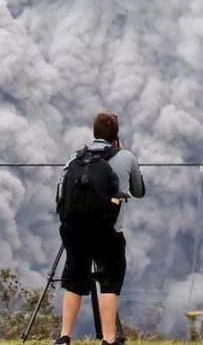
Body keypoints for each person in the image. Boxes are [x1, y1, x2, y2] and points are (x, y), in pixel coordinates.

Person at [53, 113, 146, 345]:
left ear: (93, 133)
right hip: (109, 232)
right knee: (109, 284)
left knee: (74, 282)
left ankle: (64, 336)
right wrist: (124, 155)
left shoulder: (75, 159)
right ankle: (108, 339)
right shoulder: (126, 157)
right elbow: (139, 190)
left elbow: (61, 194)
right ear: (116, 136)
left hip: (75, 233)